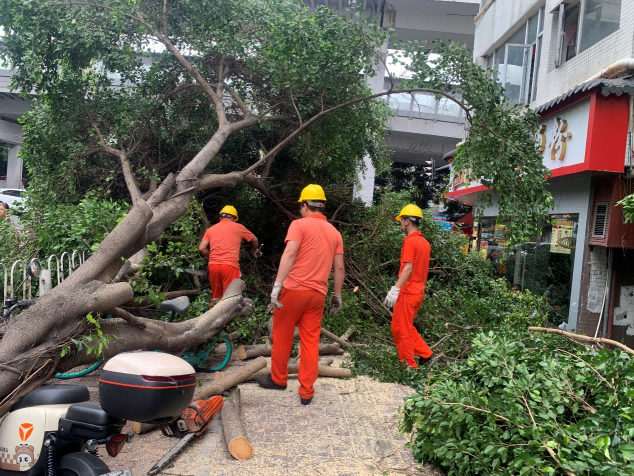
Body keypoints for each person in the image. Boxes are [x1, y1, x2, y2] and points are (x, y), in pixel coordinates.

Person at [255, 184, 345, 406]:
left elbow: (290, 253)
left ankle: (278, 379)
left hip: (293, 291)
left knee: (282, 336)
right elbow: (340, 268)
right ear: (321, 207)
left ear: (305, 206)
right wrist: (337, 295)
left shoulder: (299, 225)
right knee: (311, 342)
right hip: (318, 295)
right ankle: (306, 391)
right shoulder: (334, 233)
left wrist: (277, 286)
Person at [383, 204, 433, 369]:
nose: (400, 224)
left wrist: (395, 289)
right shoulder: (424, 243)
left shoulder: (411, 242)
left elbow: (408, 267)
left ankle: (409, 367)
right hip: (418, 292)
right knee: (405, 326)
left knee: (400, 329)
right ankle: (425, 353)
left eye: (401, 221)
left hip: (408, 291)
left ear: (406, 221)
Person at [198, 205, 261, 302]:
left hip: (213, 266)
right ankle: (228, 317)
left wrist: (213, 257)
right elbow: (255, 240)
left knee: (215, 297)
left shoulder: (211, 229)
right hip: (230, 266)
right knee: (231, 298)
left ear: (221, 217)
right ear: (233, 217)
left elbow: (202, 248)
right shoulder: (239, 227)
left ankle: (213, 315)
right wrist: (254, 251)